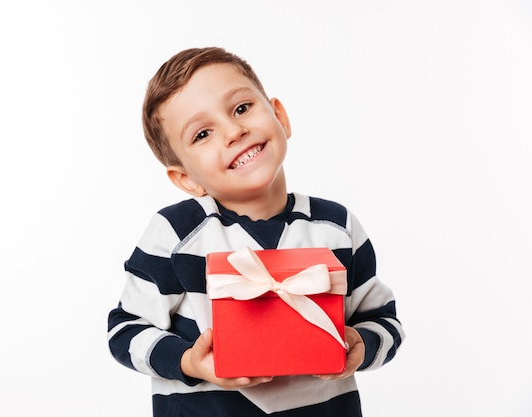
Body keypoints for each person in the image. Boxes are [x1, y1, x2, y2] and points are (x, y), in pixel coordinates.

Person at [107, 46, 404, 416]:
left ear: (280, 116)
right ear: (186, 179)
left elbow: (385, 321)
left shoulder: (337, 227)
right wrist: (189, 362)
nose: (234, 131)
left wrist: (360, 344)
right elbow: (124, 331)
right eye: (202, 134)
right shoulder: (176, 233)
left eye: (242, 108)